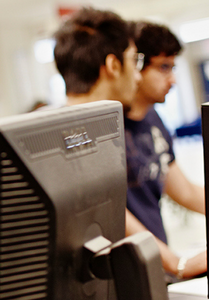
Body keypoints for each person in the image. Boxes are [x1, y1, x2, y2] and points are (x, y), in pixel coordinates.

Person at [54, 8, 207, 279]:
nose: (136, 76)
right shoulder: (69, 138)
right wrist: (176, 264)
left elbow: (183, 190)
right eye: (133, 62)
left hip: (150, 274)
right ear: (114, 65)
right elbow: (107, 211)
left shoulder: (145, 121)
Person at [124, 21, 207, 280]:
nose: (172, 79)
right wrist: (176, 263)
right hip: (127, 272)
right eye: (163, 67)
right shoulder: (109, 127)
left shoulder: (154, 119)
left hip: (157, 268)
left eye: (172, 67)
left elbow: (184, 191)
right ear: (135, 66)